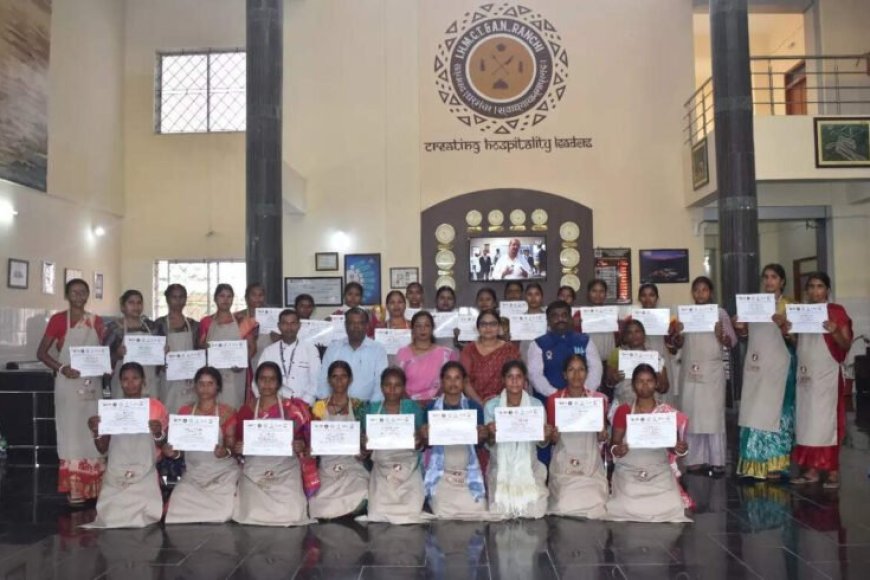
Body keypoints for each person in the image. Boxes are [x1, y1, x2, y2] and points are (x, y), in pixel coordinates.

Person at [36, 278, 107, 506]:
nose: (79, 296)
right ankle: (75, 489)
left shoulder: (96, 321)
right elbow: (42, 353)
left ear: (88, 295)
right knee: (71, 433)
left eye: (83, 292)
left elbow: (102, 353)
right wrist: (62, 368)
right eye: (74, 292)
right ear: (67, 295)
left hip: (92, 385)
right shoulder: (58, 320)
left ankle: (96, 488)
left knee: (93, 430)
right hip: (68, 385)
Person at [84, 362, 168, 528]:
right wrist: (96, 431)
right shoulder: (111, 409)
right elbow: (102, 448)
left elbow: (164, 445)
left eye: (135, 378)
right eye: (125, 379)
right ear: (120, 382)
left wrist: (158, 432)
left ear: (143, 381)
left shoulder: (156, 407)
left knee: (146, 514)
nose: (130, 383)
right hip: (116, 471)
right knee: (110, 517)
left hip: (145, 470)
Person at [233, 362, 317, 526]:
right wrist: (239, 447)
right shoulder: (246, 411)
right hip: (255, 468)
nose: (267, 383)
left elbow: (308, 440)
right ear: (256, 382)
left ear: (279, 383)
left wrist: (300, 445)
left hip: (286, 467)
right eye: (263, 379)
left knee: (292, 512)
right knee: (251, 511)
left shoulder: (293, 409)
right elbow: (238, 443)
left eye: (272, 379)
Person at [606, 364, 692, 523]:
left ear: (656, 383)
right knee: (627, 501)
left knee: (672, 504)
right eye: (640, 381)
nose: (645, 385)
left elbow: (673, 446)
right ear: (633, 385)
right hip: (629, 467)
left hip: (658, 468)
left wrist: (679, 448)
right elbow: (613, 445)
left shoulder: (665, 413)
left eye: (649, 381)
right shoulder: (624, 410)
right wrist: (617, 450)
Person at [790, 272, 853, 488]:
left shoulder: (836, 311)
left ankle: (833, 471)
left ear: (827, 290)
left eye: (819, 286)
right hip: (806, 375)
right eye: (811, 287)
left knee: (828, 423)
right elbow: (797, 342)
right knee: (808, 422)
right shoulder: (802, 312)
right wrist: (788, 332)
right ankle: (812, 469)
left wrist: (835, 331)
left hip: (827, 375)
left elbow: (845, 345)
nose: (815, 291)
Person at [735, 264, 797, 481]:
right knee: (753, 411)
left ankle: (775, 464)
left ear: (782, 281)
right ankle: (753, 464)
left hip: (779, 367)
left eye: (774, 277)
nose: (769, 281)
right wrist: (741, 328)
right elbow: (744, 336)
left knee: (777, 413)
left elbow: (797, 339)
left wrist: (784, 326)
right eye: (766, 277)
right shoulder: (754, 304)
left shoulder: (789, 305)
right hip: (755, 366)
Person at [671, 276, 736, 475]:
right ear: (692, 293)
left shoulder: (720, 313)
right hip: (690, 370)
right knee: (692, 414)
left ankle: (716, 461)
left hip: (712, 372)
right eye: (697, 290)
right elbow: (677, 344)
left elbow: (732, 341)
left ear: (710, 293)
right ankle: (694, 460)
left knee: (713, 416)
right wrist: (678, 335)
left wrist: (720, 335)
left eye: (704, 290)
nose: (700, 294)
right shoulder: (685, 314)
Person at [163, 366, 239, 524]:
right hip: (194, 472)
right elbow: (179, 451)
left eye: (210, 383)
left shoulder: (227, 412)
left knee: (223, 512)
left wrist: (224, 452)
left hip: (221, 473)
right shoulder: (184, 412)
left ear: (218, 386)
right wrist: (173, 453)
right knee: (177, 506)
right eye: (201, 384)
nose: (205, 388)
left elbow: (232, 448)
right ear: (195, 386)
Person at [421, 362, 489, 519]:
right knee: (443, 513)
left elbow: (479, 444)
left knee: (479, 509)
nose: (453, 383)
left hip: (467, 475)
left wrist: (482, 436)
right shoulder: (431, 408)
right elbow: (427, 444)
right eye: (448, 378)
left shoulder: (474, 408)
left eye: (457, 378)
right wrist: (424, 435)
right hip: (442, 475)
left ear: (464, 381)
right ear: (442, 381)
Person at [484, 360, 551, 519]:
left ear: (525, 380)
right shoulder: (492, 406)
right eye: (510, 377)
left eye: (519, 376)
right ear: (503, 380)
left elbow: (542, 444)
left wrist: (546, 435)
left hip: (530, 468)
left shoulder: (536, 405)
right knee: (499, 513)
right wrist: (490, 434)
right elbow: (489, 445)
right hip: (501, 468)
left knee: (535, 512)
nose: (514, 381)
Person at [545, 354, 608, 519]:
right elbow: (552, 439)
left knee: (596, 500)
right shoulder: (554, 400)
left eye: (581, 370)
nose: (576, 375)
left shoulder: (597, 400)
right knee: (564, 502)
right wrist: (553, 435)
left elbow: (601, 437)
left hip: (591, 462)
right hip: (563, 461)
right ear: (564, 374)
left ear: (587, 373)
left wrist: (602, 434)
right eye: (571, 370)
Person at [362, 368, 428, 524]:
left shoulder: (413, 408)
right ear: (381, 387)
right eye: (387, 385)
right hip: (382, 467)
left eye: (397, 385)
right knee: (377, 511)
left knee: (412, 509)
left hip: (409, 466)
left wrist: (419, 441)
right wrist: (364, 445)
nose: (392, 390)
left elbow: (423, 443)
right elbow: (364, 449)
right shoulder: (371, 410)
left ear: (404, 387)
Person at [308, 361, 369, 519]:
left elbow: (366, 443)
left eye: (343, 376)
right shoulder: (319, 407)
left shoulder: (358, 406)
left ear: (350, 379)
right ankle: (346, 511)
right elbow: (311, 439)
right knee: (316, 501)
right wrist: (311, 447)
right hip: (327, 466)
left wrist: (364, 448)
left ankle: (344, 510)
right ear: (328, 380)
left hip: (352, 465)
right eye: (335, 377)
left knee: (363, 489)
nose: (339, 381)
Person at [528, 300, 602, 398]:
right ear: (548, 320)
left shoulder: (585, 341)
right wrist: (556, 395)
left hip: (583, 399)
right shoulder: (538, 344)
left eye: (564, 315)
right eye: (555, 316)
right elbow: (535, 376)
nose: (560, 319)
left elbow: (596, 370)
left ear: (570, 318)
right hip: (548, 400)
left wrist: (583, 393)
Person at [198, 284, 253, 409]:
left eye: (229, 296)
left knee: (234, 407)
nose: (225, 300)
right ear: (215, 298)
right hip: (212, 373)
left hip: (235, 374)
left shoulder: (241, 320)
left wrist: (242, 362)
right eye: (222, 296)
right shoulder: (206, 322)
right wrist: (206, 349)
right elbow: (200, 347)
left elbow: (252, 347)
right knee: (211, 407)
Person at [318, 307, 389, 402]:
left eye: (360, 323)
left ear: (367, 325)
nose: (356, 326)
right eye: (351, 323)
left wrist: (373, 407)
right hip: (335, 405)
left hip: (367, 404)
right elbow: (324, 379)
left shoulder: (378, 349)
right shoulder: (333, 348)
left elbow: (380, 382)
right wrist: (326, 404)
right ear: (345, 325)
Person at [255, 308, 321, 405]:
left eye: (293, 323)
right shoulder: (269, 351)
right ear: (279, 326)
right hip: (274, 405)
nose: (289, 327)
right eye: (285, 323)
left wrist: (305, 403)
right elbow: (257, 380)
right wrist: (268, 402)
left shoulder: (310, 349)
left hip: (305, 405)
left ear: (299, 325)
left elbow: (317, 379)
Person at [103, 290, 159, 399]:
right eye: (131, 303)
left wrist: (163, 351)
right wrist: (117, 354)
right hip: (123, 383)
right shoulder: (114, 328)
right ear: (123, 307)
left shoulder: (152, 327)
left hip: (149, 379)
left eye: (139, 303)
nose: (136, 307)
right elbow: (103, 359)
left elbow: (160, 361)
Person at [394, 311, 458, 404]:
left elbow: (452, 382)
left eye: (427, 325)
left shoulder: (447, 354)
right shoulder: (403, 352)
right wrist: (412, 404)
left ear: (432, 329)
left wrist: (433, 402)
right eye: (418, 326)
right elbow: (397, 381)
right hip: (409, 404)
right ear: (412, 329)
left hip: (439, 405)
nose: (422, 329)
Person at [154, 283, 200, 413]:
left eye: (181, 297)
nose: (178, 301)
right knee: (167, 410)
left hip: (190, 378)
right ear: (167, 299)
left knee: (188, 411)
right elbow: (152, 354)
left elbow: (199, 350)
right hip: (167, 377)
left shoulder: (193, 325)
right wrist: (160, 360)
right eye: (174, 297)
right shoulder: (159, 324)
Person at [460, 309, 521, 404]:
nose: (488, 328)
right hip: (475, 404)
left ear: (499, 327)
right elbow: (465, 381)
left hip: (505, 403)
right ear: (477, 328)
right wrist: (480, 404)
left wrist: (499, 403)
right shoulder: (469, 350)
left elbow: (517, 378)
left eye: (493, 324)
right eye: (483, 324)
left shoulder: (509, 349)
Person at [606, 320, 669, 408]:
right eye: (629, 332)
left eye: (637, 331)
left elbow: (664, 388)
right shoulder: (617, 354)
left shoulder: (655, 356)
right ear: (625, 337)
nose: (634, 335)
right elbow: (608, 382)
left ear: (644, 335)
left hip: (650, 406)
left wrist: (658, 382)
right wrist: (614, 378)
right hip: (624, 404)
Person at [580, 279, 617, 374]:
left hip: (608, 362)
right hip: (588, 361)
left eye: (601, 291)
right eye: (594, 291)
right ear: (588, 294)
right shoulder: (580, 315)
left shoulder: (612, 314)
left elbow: (617, 338)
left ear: (606, 294)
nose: (598, 295)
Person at [236, 282, 276, 368]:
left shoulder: (272, 317)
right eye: (253, 295)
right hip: (243, 364)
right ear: (246, 297)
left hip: (266, 362)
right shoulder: (238, 317)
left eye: (261, 295)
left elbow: (277, 341)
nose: (257, 298)